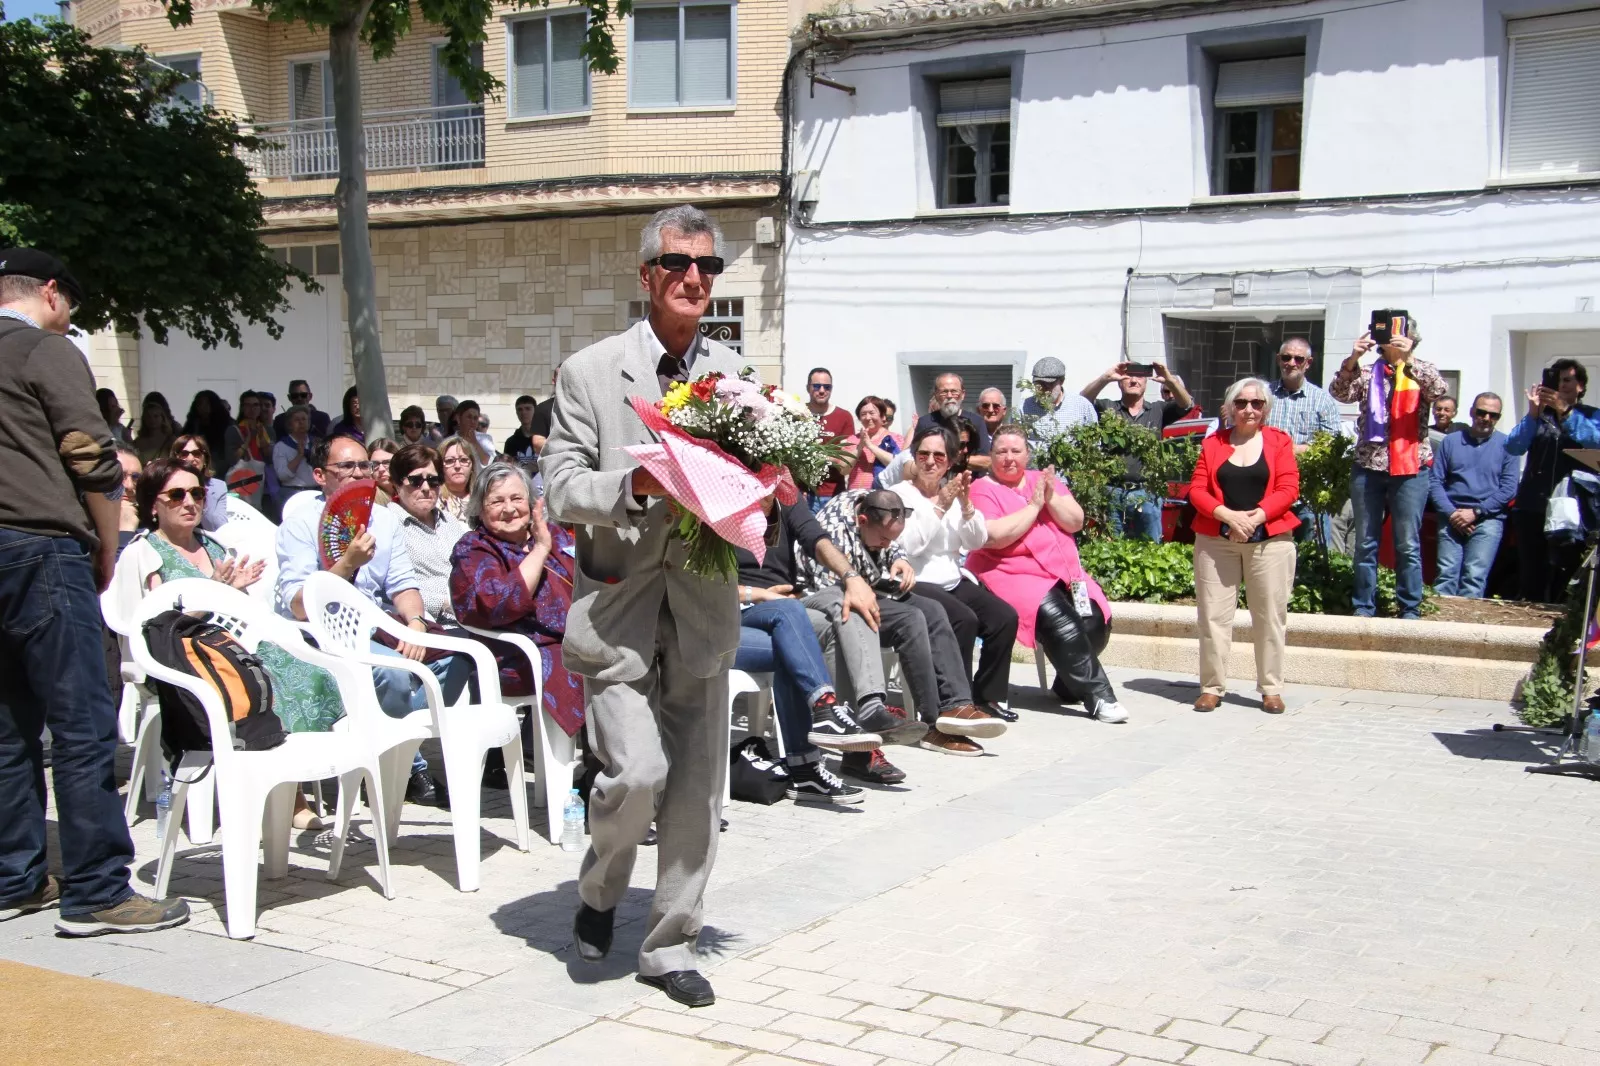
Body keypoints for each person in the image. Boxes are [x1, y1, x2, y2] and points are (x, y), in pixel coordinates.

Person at [541, 203, 745, 1007]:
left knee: (695, 790)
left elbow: (747, 479)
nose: (694, 277)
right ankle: (599, 892)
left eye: (707, 266)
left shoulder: (732, 373)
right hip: (618, 605)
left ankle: (670, 945)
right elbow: (559, 488)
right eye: (677, 263)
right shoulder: (590, 372)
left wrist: (772, 488)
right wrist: (630, 486)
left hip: (702, 601)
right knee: (635, 773)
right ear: (646, 275)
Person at [0, 247, 189, 935]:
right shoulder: (45, 349)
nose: (69, 320)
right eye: (70, 308)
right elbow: (91, 455)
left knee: (7, 727)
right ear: (51, 292)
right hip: (41, 546)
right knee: (81, 722)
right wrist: (108, 545)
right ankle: (97, 890)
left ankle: (16, 877)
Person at [122, 459, 340, 825]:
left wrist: (234, 592)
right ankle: (287, 800)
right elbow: (156, 630)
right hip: (182, 660)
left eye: (197, 493)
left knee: (309, 673)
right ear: (152, 503)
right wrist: (212, 593)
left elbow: (238, 613)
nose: (189, 502)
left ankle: (291, 780)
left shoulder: (212, 544)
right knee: (265, 682)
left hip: (230, 647)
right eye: (176, 495)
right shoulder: (145, 553)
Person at [275, 435, 470, 805]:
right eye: (346, 467)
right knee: (394, 673)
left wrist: (416, 623)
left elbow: (403, 584)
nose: (358, 474)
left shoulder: (382, 520)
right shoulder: (300, 524)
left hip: (377, 626)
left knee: (459, 658)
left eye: (363, 466)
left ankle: (394, 753)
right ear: (320, 475)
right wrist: (347, 563)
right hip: (323, 632)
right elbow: (299, 605)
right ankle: (406, 770)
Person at [802, 488, 1006, 753]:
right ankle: (931, 723)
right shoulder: (834, 532)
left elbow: (891, 538)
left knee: (933, 610)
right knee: (911, 618)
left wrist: (899, 558)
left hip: (869, 588)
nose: (887, 544)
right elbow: (834, 594)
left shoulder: (871, 501)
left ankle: (956, 705)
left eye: (892, 539)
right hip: (829, 597)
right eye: (883, 539)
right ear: (862, 521)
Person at [968, 425, 1129, 724]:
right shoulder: (982, 488)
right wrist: (1034, 506)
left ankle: (1068, 686)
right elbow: (995, 537)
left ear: (1027, 454)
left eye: (1016, 451)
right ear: (991, 456)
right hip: (1010, 571)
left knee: (1095, 621)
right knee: (1060, 620)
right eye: (1001, 451)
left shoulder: (1042, 480)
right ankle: (1100, 697)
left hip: (1063, 571)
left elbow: (1075, 521)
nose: (1009, 458)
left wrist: (1050, 496)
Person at [731, 501, 885, 805]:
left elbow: (817, 538)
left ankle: (822, 757)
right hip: (723, 616)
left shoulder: (782, 494)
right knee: (792, 628)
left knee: (825, 625)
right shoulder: (716, 501)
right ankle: (824, 715)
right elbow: (695, 580)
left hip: (776, 613)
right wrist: (757, 594)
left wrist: (851, 577)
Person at [449, 462, 584, 750]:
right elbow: (498, 602)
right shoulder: (474, 549)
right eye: (497, 501)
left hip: (572, 638)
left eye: (516, 498)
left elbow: (586, 578)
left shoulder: (552, 533)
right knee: (584, 662)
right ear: (480, 509)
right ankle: (567, 756)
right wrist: (540, 550)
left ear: (531, 503)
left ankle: (604, 757)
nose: (509, 509)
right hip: (514, 653)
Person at [1186, 380, 1301, 714]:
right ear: (1229, 407)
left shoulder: (1279, 441)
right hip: (1216, 540)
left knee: (1270, 617)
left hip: (1270, 542)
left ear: (1266, 408)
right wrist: (1227, 516)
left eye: (1256, 403)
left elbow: (1288, 488)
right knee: (1212, 618)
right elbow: (1197, 490)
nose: (1249, 409)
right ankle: (1211, 687)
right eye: (1241, 403)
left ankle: (1271, 688)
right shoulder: (1213, 443)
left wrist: (1254, 518)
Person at [889, 425, 1019, 719]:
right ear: (914, 457)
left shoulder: (952, 491)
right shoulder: (899, 495)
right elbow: (909, 546)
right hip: (916, 579)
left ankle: (987, 696)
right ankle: (953, 700)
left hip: (951, 578)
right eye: (923, 454)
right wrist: (939, 508)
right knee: (964, 619)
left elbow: (975, 541)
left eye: (938, 456)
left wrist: (966, 504)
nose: (930, 462)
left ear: (949, 461)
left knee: (1003, 617)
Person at [1329, 317, 1447, 619]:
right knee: (1366, 542)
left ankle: (1410, 607)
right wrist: (1353, 358)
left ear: (1412, 338)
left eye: (1401, 333)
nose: (1393, 338)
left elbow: (1438, 390)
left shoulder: (1421, 370)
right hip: (1369, 466)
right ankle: (1363, 606)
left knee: (1407, 542)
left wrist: (1408, 358)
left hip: (1410, 468)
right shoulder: (1369, 372)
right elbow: (1340, 392)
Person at [1505, 359, 1600, 603]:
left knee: (1567, 571)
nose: (1562, 385)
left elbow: (1595, 441)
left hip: (1575, 507)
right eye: (1557, 380)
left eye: (1567, 380)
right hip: (1533, 504)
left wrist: (1566, 412)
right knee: (1532, 571)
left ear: (1580, 386)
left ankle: (1563, 616)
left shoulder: (1592, 416)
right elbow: (1513, 446)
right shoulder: (1539, 417)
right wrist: (1533, 414)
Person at [1080, 361, 1194, 540]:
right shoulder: (1108, 407)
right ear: (1119, 382)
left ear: (1146, 382)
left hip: (1146, 492)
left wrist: (1169, 380)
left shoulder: (1158, 410)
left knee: (1149, 546)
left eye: (1139, 376)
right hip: (1113, 491)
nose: (1133, 380)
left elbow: (1186, 404)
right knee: (1112, 547)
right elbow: (1082, 401)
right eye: (1128, 377)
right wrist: (1105, 378)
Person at [1429, 393, 1518, 599]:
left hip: (1488, 519)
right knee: (1446, 576)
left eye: (1493, 415)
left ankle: (1466, 622)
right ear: (1471, 412)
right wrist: (1452, 514)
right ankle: (1442, 620)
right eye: (1481, 412)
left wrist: (1476, 512)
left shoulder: (1509, 446)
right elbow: (1434, 481)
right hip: (1451, 516)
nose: (1486, 418)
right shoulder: (1450, 442)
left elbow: (1508, 489)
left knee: (1474, 578)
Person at [1265, 338, 1342, 541]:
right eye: (1286, 357)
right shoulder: (1263, 396)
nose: (1291, 363)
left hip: (1308, 494)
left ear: (1308, 363)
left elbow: (1332, 444)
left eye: (1298, 359)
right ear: (1278, 360)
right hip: (1268, 493)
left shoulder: (1322, 400)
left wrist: (1291, 450)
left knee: (1312, 554)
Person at [388, 444, 469, 623]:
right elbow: (390, 588)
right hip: (431, 624)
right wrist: (446, 603)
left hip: (473, 617)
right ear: (396, 484)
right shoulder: (388, 525)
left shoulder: (450, 522)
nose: (426, 487)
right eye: (416, 481)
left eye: (433, 480)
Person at [915, 373, 991, 473]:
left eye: (954, 391)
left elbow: (987, 461)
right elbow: (914, 457)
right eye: (944, 392)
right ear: (936, 395)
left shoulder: (977, 421)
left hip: (969, 479)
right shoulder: (925, 423)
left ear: (963, 394)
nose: (949, 396)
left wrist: (959, 459)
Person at [804, 367, 856, 512]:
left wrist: (820, 456)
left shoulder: (844, 417)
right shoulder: (796, 413)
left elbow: (846, 458)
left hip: (833, 493)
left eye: (827, 387)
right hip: (803, 493)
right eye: (816, 386)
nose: (822, 390)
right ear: (808, 388)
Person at [1021, 357, 1097, 445]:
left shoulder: (1082, 406)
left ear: (1062, 381)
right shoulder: (1023, 408)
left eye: (1049, 384)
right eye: (1040, 384)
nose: (1044, 389)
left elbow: (1094, 442)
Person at [169, 434, 229, 531]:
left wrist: (202, 497)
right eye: (184, 454)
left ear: (205, 459)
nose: (190, 458)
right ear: (175, 459)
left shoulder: (218, 487)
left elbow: (218, 527)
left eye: (196, 453)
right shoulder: (168, 485)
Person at [846, 395, 902, 490]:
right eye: (863, 414)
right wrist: (860, 446)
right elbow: (844, 470)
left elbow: (899, 466)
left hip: (884, 495)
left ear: (883, 416)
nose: (868, 417)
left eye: (872, 413)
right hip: (856, 495)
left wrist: (870, 446)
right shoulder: (852, 439)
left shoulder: (896, 438)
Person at [272, 404, 319, 504]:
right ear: (289, 424)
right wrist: (299, 456)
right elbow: (282, 476)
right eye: (297, 420)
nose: (301, 422)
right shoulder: (281, 446)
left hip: (316, 492)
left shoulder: (316, 443)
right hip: (292, 493)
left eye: (304, 419)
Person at [437, 435, 480, 522]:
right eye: (449, 461)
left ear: (472, 466)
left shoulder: (482, 498)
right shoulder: (433, 500)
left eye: (463, 460)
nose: (457, 466)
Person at [182, 389, 232, 464]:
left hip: (221, 465)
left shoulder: (227, 425)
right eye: (200, 403)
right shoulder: (193, 424)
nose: (203, 407)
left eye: (207, 403)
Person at [132, 395, 176, 465]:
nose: (152, 419)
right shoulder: (137, 442)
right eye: (148, 416)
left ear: (162, 418)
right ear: (144, 419)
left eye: (156, 416)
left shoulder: (171, 440)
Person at [114, 444, 143, 549]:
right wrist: (125, 532)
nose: (129, 486)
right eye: (120, 476)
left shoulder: (149, 529)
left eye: (136, 477)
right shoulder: (86, 527)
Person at [504, 394, 541, 468]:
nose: (523, 412)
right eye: (520, 409)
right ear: (516, 412)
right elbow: (507, 468)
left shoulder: (547, 437)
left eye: (528, 408)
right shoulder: (511, 442)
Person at [529, 372, 556, 454]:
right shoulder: (543, 408)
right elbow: (537, 443)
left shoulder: (585, 406)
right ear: (554, 381)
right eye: (561, 377)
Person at [367, 437, 400, 501]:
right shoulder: (368, 499)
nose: (381, 469)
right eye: (375, 464)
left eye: (387, 462)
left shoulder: (412, 492)